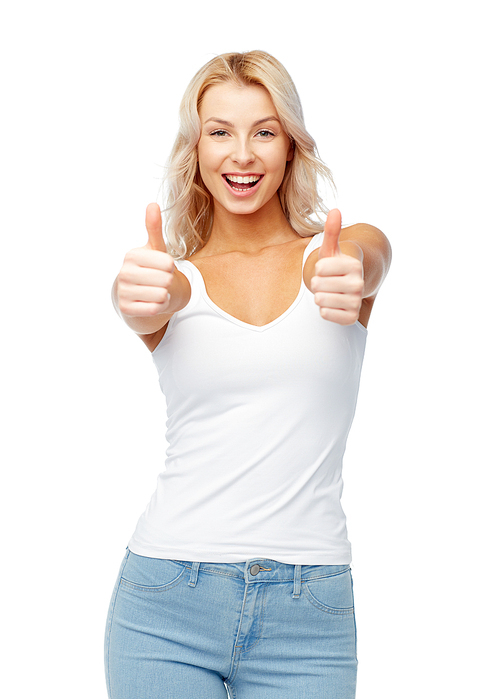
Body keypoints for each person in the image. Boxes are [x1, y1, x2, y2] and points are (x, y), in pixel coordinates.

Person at [105, 50, 391, 699]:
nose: (243, 154)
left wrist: (359, 271)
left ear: (290, 145)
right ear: (196, 149)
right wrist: (139, 295)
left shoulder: (337, 254)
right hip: (164, 604)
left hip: (309, 614)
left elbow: (376, 255)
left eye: (264, 130)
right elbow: (143, 295)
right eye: (220, 131)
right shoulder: (174, 278)